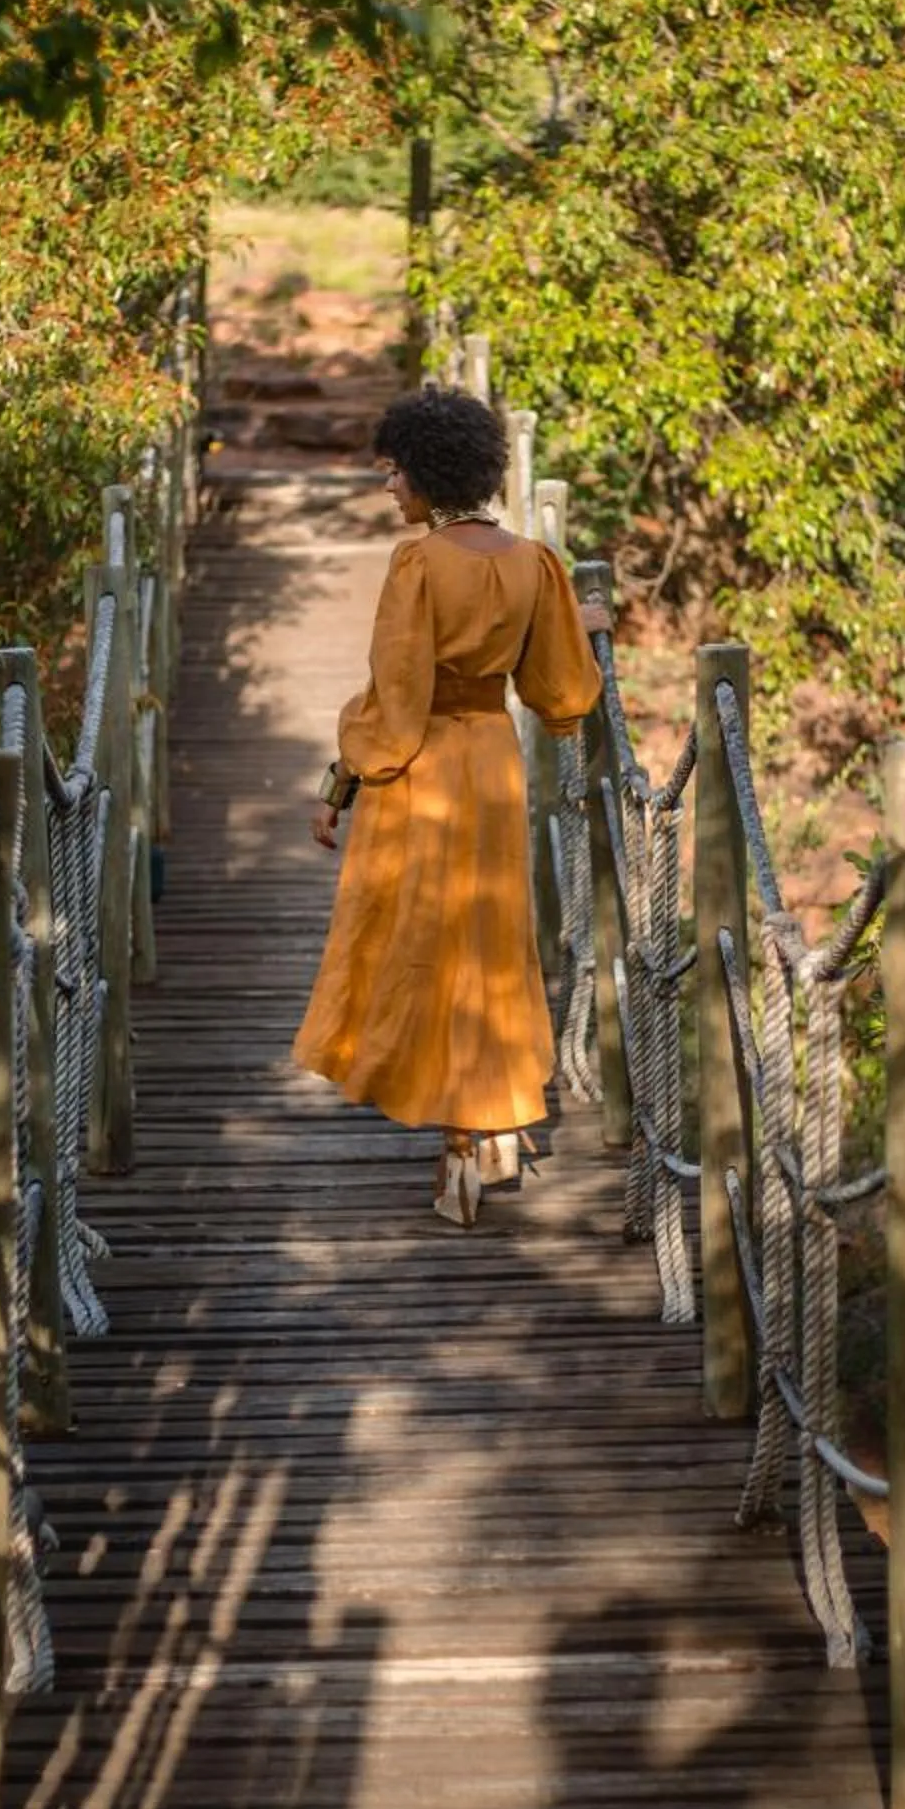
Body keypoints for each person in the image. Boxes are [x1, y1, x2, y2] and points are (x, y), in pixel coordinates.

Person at [292, 386, 607, 1227]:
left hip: (423, 772)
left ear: (429, 475)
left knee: (419, 948)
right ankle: (488, 1119)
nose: (389, 490)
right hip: (493, 763)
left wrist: (340, 784)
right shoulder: (536, 564)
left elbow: (394, 704)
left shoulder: (419, 566)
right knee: (492, 943)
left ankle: (459, 1150)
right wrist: (580, 620)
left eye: (394, 474)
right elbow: (563, 695)